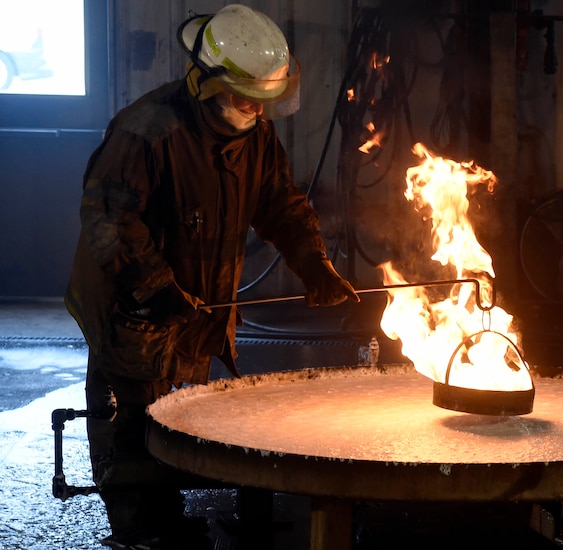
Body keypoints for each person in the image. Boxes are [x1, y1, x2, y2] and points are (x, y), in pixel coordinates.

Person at [64, 5, 359, 549]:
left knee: (174, 413)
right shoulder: (146, 132)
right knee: (129, 421)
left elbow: (282, 206)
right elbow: (109, 220)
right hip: (132, 309)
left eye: (264, 101)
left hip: (194, 304)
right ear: (203, 82)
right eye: (245, 97)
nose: (255, 109)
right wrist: (155, 290)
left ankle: (165, 515)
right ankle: (139, 533)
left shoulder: (256, 136)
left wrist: (314, 263)